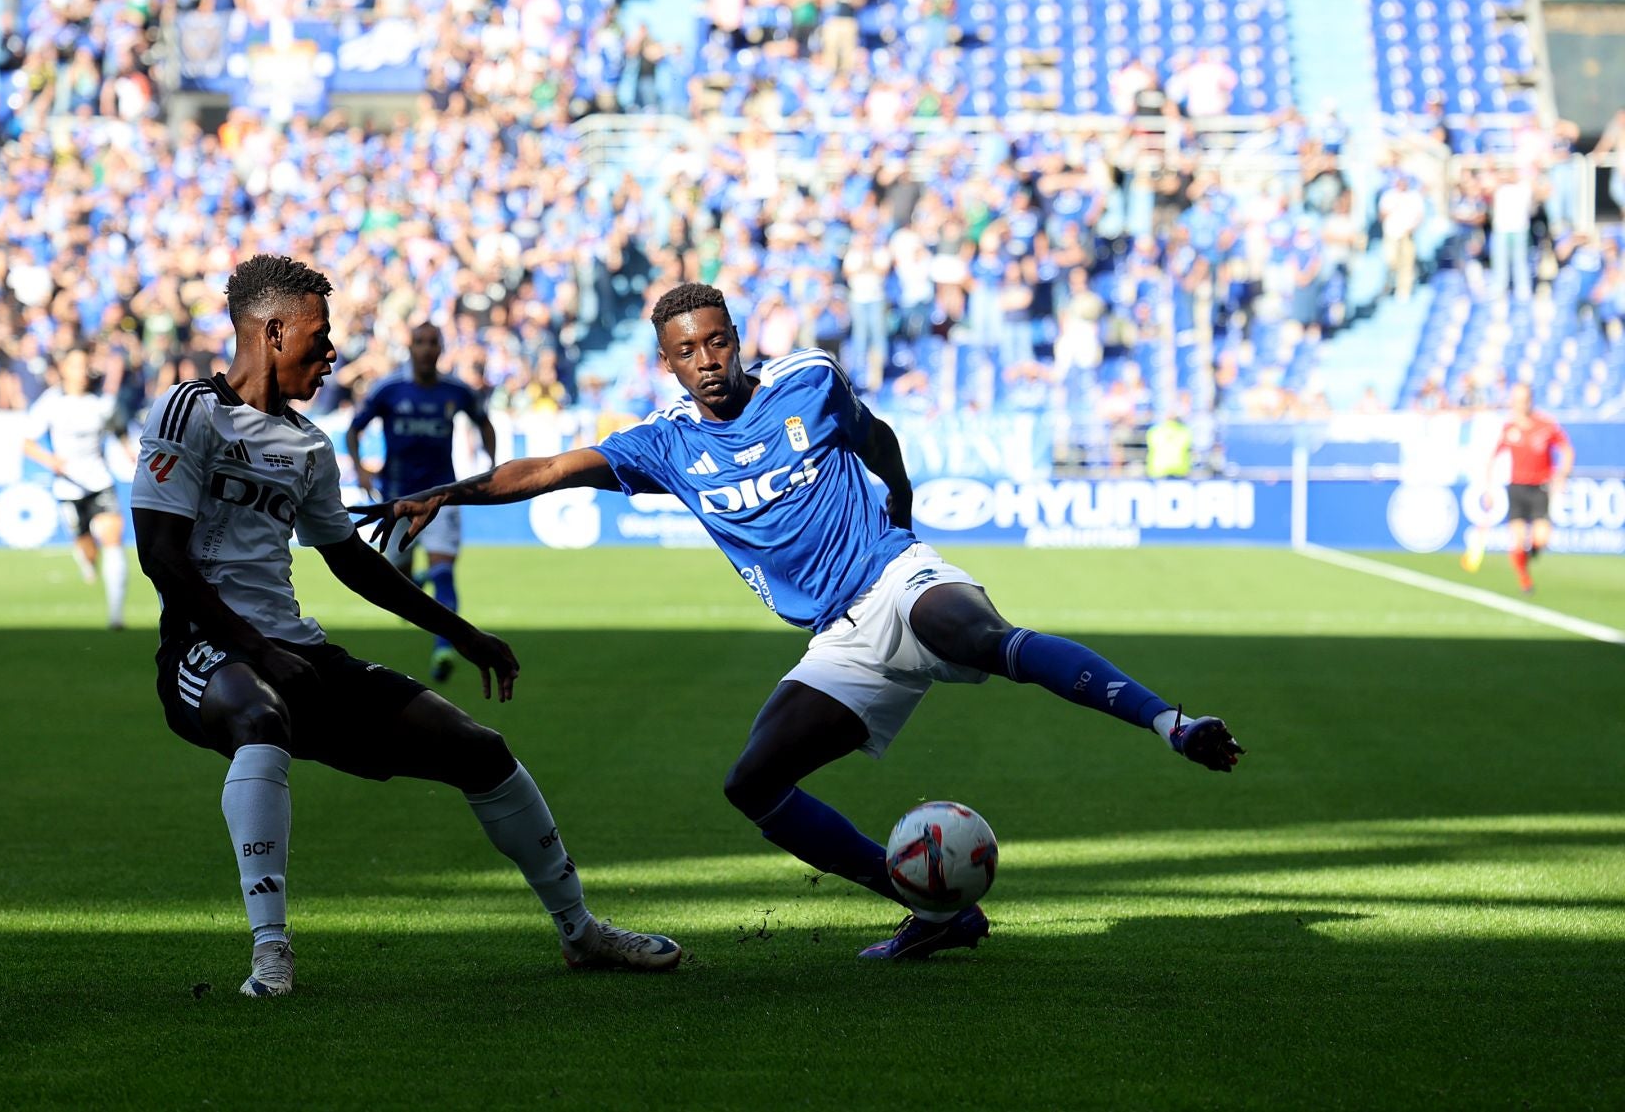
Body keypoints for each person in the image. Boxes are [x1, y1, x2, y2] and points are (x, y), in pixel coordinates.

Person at [357, 282, 1244, 962]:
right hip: (839, 635)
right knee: (754, 784)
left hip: (895, 573)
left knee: (978, 635)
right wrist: (446, 489)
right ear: (667, 363)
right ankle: (936, 910)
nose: (706, 359)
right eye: (686, 351)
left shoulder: (808, 381)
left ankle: (1172, 722)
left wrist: (899, 500)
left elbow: (876, 434)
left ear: (737, 341)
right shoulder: (664, 443)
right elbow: (550, 467)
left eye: (716, 341)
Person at [131, 256, 679, 998]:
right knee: (260, 718)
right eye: (320, 337)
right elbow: (160, 554)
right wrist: (256, 646)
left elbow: (352, 561)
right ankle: (271, 951)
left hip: (294, 650)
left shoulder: (309, 446)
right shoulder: (188, 412)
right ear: (273, 329)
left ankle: (581, 930)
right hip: (208, 651)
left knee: (480, 749)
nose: (332, 354)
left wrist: (462, 630)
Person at [345, 322, 496, 683]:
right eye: (420, 343)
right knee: (395, 580)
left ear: (441, 349)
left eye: (433, 343)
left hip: (441, 495)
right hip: (395, 499)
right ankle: (419, 576)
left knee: (445, 572)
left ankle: (445, 647)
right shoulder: (389, 389)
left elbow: (484, 423)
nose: (427, 349)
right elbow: (354, 429)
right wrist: (362, 471)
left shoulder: (456, 391)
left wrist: (491, 465)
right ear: (409, 348)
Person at [24, 348, 132, 629]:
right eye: (75, 365)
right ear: (64, 369)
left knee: (113, 537)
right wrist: (51, 461)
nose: (81, 371)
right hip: (69, 487)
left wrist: (128, 450)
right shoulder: (51, 402)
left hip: (99, 481)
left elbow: (118, 427)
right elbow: (27, 442)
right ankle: (86, 559)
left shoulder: (101, 403)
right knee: (88, 549)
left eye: (85, 365)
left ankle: (116, 616)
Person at [1482, 383, 1573, 595]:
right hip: (1517, 489)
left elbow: (1566, 450)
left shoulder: (1546, 425)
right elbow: (1492, 459)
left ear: (1530, 400)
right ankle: (1525, 581)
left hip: (1540, 489)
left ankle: (1526, 557)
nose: (1519, 405)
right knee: (1518, 537)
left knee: (1541, 539)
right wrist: (1488, 489)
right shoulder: (1509, 428)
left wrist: (1561, 475)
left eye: (1522, 400)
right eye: (1515, 401)